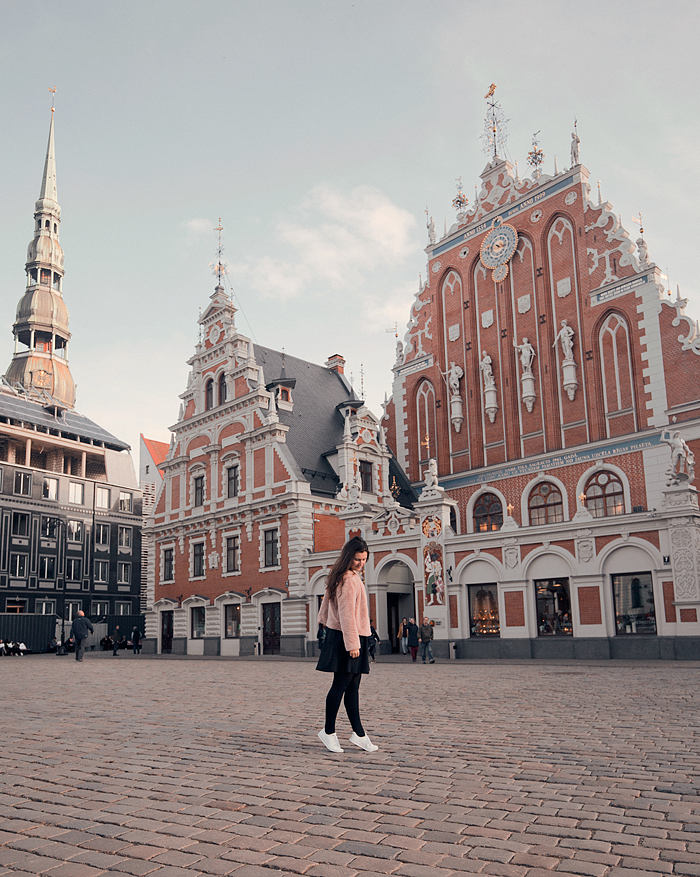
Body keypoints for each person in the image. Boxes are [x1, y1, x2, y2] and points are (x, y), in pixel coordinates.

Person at [316, 535, 378, 754]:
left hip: (351, 636)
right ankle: (328, 731)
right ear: (348, 557)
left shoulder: (344, 576)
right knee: (341, 685)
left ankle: (359, 735)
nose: (361, 563)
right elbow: (346, 615)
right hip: (348, 637)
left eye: (364, 559)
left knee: (352, 687)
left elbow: (327, 608)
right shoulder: (349, 579)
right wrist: (353, 644)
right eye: (357, 559)